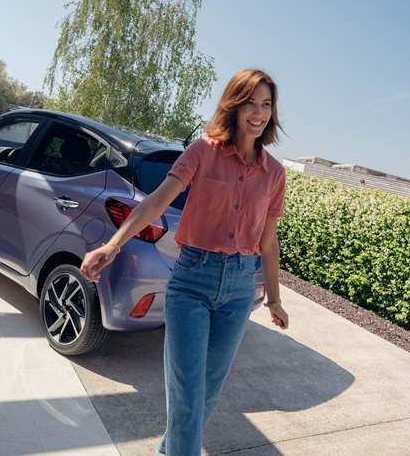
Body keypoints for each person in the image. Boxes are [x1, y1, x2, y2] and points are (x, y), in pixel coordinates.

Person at [80, 68, 289, 455]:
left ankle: (168, 449)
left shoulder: (274, 174)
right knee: (188, 389)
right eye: (250, 103)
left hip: (240, 289)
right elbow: (157, 201)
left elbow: (268, 240)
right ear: (234, 105)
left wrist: (273, 299)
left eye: (266, 104)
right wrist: (113, 245)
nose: (258, 113)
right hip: (192, 280)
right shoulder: (204, 151)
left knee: (207, 389)